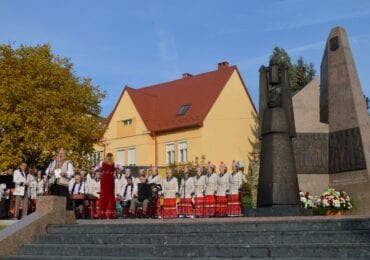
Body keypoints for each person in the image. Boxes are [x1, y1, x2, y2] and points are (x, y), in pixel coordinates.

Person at [97, 153, 122, 219]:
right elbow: (122, 168)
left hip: (104, 179)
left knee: (103, 195)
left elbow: (95, 169)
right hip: (110, 179)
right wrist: (116, 169)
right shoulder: (115, 163)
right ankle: (110, 214)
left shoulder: (101, 163)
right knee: (110, 196)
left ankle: (103, 214)